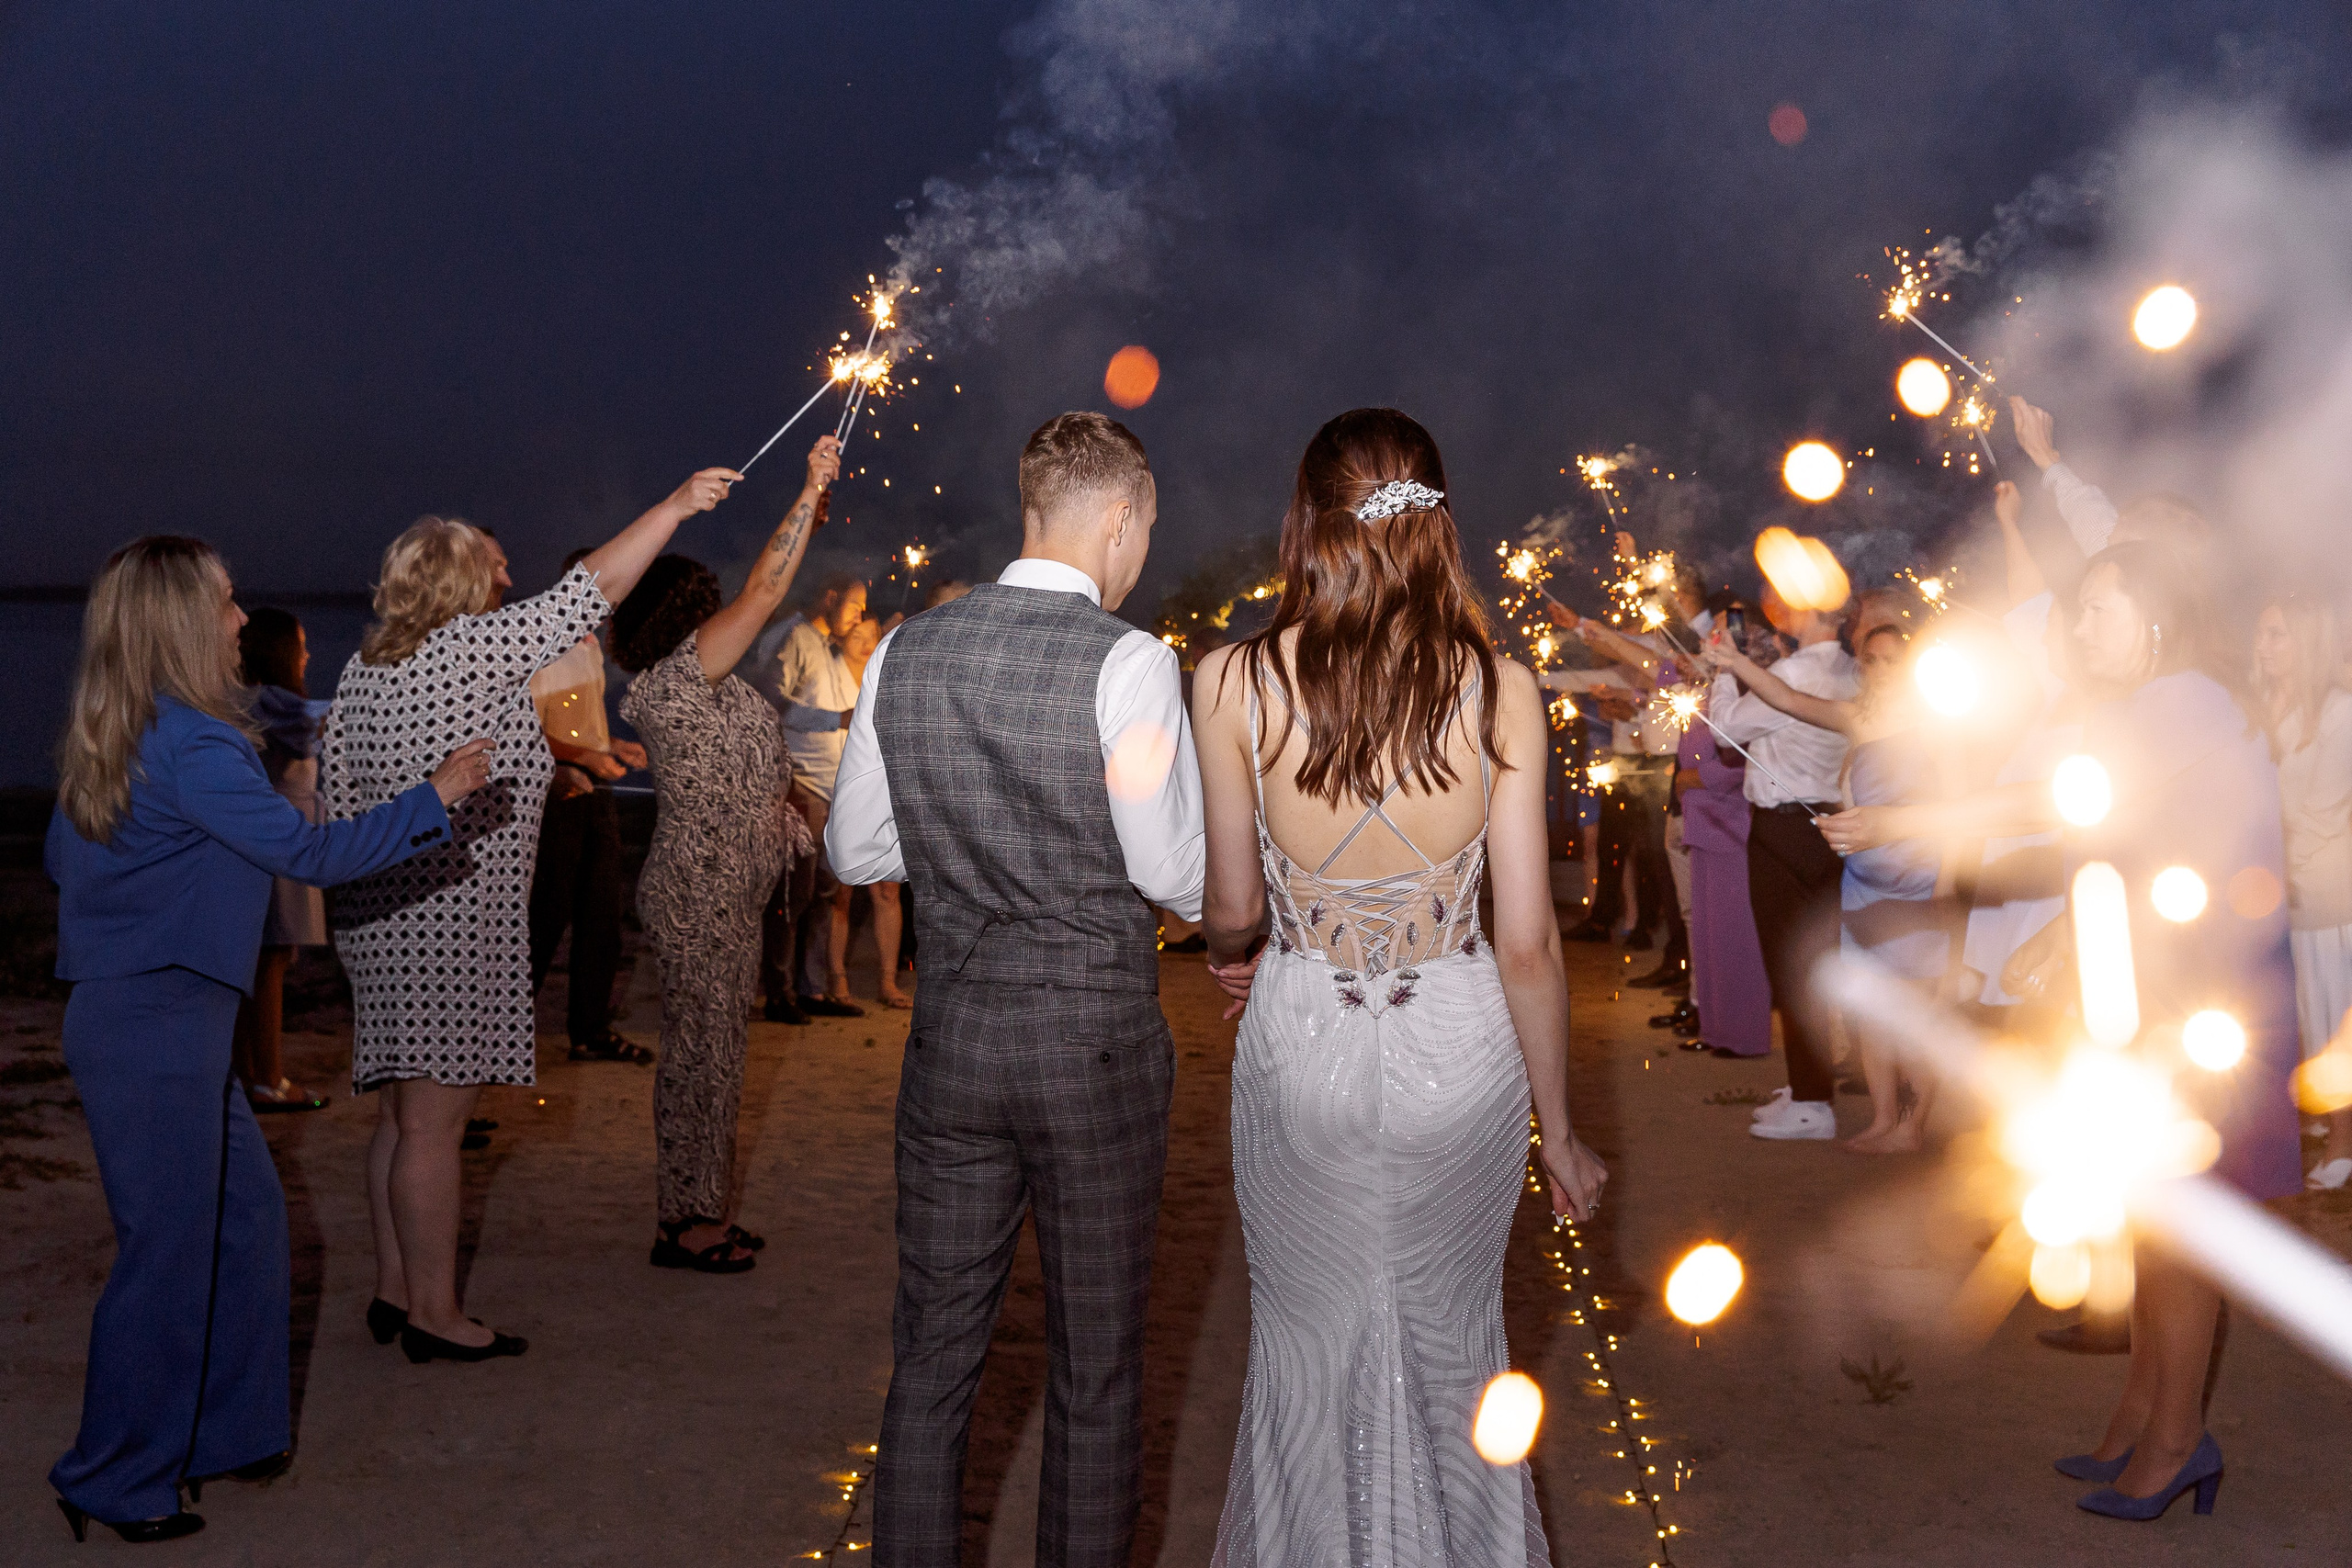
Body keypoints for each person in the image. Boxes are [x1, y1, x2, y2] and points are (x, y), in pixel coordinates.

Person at [1186, 410, 1605, 1563]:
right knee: (1452, 1346)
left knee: (1307, 1349)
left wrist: (1236, 957)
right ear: (1438, 521)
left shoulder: (1230, 681)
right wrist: (1558, 1134)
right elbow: (1527, 942)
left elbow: (1230, 906)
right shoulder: (1499, 688)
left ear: (1305, 522)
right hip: (1459, 1050)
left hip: (1304, 1033)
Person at [1825, 542, 2301, 1518]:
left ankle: (2175, 1443)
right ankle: (2141, 1418)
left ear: (2158, 617)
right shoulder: (2149, 707)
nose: (2079, 628)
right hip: (2159, 975)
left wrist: (1909, 824)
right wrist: (2060, 937)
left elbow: (2067, 806)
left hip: (2200, 992)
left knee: (2177, 1221)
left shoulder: (2188, 700)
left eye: (2098, 609)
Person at [45, 536, 492, 1543]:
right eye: (228, 600)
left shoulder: (124, 727)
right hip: (156, 1024)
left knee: (244, 1225)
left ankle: (221, 1433)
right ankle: (110, 1475)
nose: (243, 619)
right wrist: (438, 796)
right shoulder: (195, 744)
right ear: (179, 621)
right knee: (166, 1254)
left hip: (160, 1021)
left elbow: (71, 865)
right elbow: (305, 852)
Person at [827, 412, 1204, 1566]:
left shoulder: (903, 652)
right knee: (1094, 1371)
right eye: (1144, 532)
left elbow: (854, 853)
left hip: (952, 1050)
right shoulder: (1131, 662)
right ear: (1121, 517)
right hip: (1092, 1051)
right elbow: (1171, 873)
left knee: (934, 1361)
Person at [322, 467, 736, 1362]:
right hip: (448, 918)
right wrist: (674, 505)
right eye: (494, 570)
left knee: (399, 1117)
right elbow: (598, 588)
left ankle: (395, 1291)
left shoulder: (363, 668)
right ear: (458, 584)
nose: (509, 583)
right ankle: (435, 1314)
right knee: (433, 1127)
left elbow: (337, 798)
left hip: (377, 920)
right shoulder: (475, 648)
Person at [615, 435, 839, 1274]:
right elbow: (769, 585)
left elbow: (747, 770)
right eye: (709, 604)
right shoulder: (673, 680)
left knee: (718, 1058)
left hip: (727, 896)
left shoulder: (718, 684)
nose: (725, 614)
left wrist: (778, 812)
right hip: (697, 895)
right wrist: (811, 487)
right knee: (700, 1063)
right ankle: (685, 1222)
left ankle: (698, 1206)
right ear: (686, 613)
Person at [1712, 618, 1944, 1150]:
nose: (1880, 669)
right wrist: (1737, 661)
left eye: (1892, 659)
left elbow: (1955, 808)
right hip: (1863, 873)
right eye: (1872, 659)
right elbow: (1789, 699)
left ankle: (1912, 1126)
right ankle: (1884, 1120)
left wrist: (1948, 881)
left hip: (1916, 875)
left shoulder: (1938, 726)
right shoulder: (1860, 719)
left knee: (1915, 1009)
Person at [1706, 581, 1859, 1140]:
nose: (1780, 605)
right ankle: (1805, 1086)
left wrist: (1726, 671)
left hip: (1782, 828)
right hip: (1825, 825)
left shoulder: (1793, 677)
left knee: (1791, 964)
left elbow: (1726, 733)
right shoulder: (1850, 669)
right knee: (1811, 960)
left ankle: (1814, 1103)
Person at [527, 547, 648, 1065]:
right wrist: (585, 759)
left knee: (602, 918)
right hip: (559, 800)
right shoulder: (544, 646)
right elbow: (526, 733)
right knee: (544, 919)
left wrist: (612, 748)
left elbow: (579, 722)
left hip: (594, 796)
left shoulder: (588, 643)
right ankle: (498, 1035)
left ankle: (590, 1032)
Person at [2252, 592, 2352, 1190]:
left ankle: (2343, 1141)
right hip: (2281, 894)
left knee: (2333, 1019)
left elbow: (2323, 810)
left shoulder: (2339, 711)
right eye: (2262, 634)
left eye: (2278, 635)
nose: (2263, 647)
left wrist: (2272, 839)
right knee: (2305, 1022)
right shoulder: (2265, 707)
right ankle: (2326, 1126)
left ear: (2308, 643)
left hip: (2330, 897)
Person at [742, 570, 868, 1021]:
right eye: (854, 605)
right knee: (792, 895)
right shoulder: (793, 637)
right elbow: (768, 702)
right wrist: (836, 720)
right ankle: (778, 992)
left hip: (836, 792)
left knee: (824, 894)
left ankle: (811, 989)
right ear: (830, 596)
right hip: (803, 786)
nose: (859, 617)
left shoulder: (831, 652)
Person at [232, 606, 333, 1113]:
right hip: (279, 843)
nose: (309, 654)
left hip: (278, 838)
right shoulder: (270, 701)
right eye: (301, 644)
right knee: (269, 963)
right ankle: (268, 1078)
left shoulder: (256, 701)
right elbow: (324, 724)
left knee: (263, 962)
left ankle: (250, 1075)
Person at [838, 613, 911, 1009]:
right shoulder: (831, 675)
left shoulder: (887, 670)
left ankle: (888, 980)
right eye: (860, 635)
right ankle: (836, 979)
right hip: (837, 790)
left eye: (874, 636)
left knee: (888, 889)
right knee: (842, 894)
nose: (867, 644)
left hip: (883, 789)